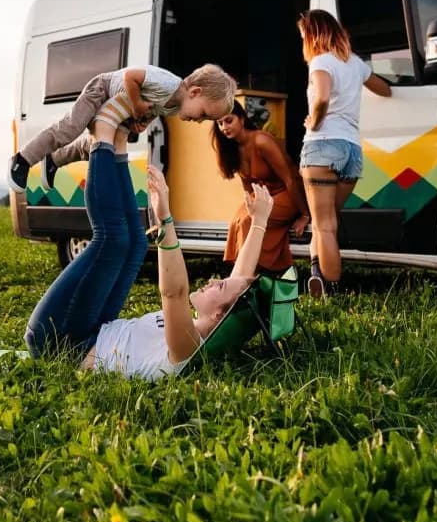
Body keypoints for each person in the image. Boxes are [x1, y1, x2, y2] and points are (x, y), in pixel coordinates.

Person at [24, 116, 275, 380]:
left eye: (220, 286)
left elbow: (174, 293)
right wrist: (259, 221)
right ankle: (117, 145)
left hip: (62, 342)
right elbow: (239, 281)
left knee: (111, 240)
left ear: (218, 314)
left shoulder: (188, 346)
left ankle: (103, 140)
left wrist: (165, 216)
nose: (213, 280)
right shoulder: (215, 326)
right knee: (135, 244)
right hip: (97, 327)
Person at [8, 63, 237, 193]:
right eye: (204, 114)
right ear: (195, 92)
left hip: (120, 107)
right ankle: (22, 160)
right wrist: (137, 104)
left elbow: (152, 110)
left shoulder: (173, 106)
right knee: (71, 128)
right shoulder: (168, 83)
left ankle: (55, 160)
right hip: (103, 89)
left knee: (95, 146)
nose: (200, 121)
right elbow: (131, 77)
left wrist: (141, 121)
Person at [297, 10, 392, 297]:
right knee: (325, 221)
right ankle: (317, 272)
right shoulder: (355, 64)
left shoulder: (320, 61)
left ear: (313, 34)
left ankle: (332, 290)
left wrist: (314, 120)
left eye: (303, 35)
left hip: (323, 145)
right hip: (352, 151)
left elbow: (323, 96)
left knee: (324, 225)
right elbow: (384, 89)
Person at [212, 101, 310, 275]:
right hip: (264, 197)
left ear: (241, 119)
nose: (224, 127)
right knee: (238, 221)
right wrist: (249, 207)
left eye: (229, 120)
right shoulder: (233, 148)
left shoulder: (261, 141)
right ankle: (250, 272)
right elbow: (247, 187)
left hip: (287, 194)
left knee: (249, 221)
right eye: (220, 123)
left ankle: (247, 274)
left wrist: (304, 214)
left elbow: (290, 180)